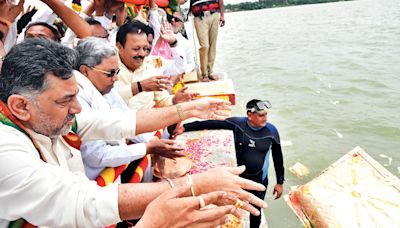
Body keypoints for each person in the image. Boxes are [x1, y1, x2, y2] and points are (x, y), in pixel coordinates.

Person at [0, 38, 268, 227]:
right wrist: (190, 187)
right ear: (21, 106)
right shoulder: (6, 151)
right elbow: (80, 204)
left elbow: (118, 123)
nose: (77, 107)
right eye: (65, 100)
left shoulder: (45, 114)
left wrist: (186, 110)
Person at [75, 37, 182, 181]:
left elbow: (126, 119)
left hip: (115, 166)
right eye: (110, 73)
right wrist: (147, 148)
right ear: (85, 71)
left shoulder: (105, 87)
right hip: (94, 181)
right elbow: (97, 155)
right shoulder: (77, 99)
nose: (116, 78)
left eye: (117, 71)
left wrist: (155, 143)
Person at [176, 99, 285, 228]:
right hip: (237, 179)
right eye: (261, 115)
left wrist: (280, 182)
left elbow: (278, 157)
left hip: (259, 180)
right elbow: (213, 123)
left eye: (266, 114)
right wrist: (186, 127)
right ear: (250, 115)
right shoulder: (238, 124)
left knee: (256, 211)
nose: (265, 118)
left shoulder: (271, 131)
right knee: (231, 208)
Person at [115, 20, 194, 110]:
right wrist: (139, 87)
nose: (142, 54)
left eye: (145, 48)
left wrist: (174, 100)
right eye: (136, 49)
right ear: (119, 47)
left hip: (149, 121)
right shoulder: (106, 67)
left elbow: (163, 99)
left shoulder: (151, 63)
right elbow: (106, 99)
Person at [189, 0, 225, 81]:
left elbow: (220, 1)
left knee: (212, 45)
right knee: (205, 46)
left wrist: (222, 15)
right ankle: (204, 74)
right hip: (200, 17)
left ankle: (209, 72)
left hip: (214, 15)